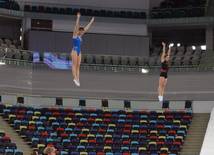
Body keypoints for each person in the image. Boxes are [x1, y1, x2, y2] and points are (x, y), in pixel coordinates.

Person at [71, 12, 94, 86]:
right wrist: (78, 18)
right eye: (81, 32)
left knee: (78, 66)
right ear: (78, 31)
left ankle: (78, 79)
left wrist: (91, 22)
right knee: (74, 65)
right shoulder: (75, 35)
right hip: (74, 50)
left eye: (82, 32)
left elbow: (86, 28)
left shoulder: (81, 35)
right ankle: (75, 78)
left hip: (79, 51)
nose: (82, 33)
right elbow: (76, 26)